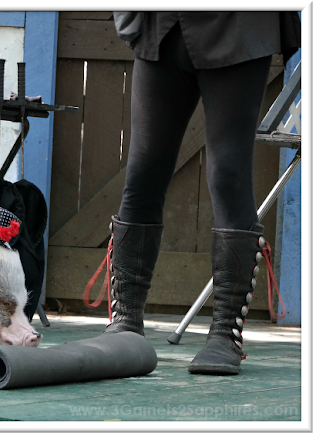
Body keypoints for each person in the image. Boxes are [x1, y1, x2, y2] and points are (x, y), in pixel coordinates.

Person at [105, 12, 300, 375]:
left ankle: (225, 334)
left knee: (228, 174)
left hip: (239, 26)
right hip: (161, 26)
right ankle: (126, 324)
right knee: (143, 171)